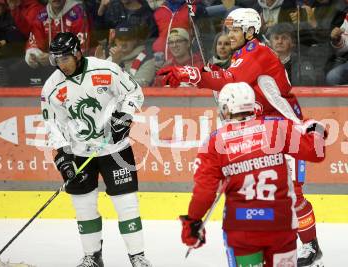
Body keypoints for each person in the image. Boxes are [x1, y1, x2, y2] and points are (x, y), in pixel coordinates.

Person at [157, 8, 324, 267]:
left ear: (250, 31)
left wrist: (191, 75)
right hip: (261, 129)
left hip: (283, 127)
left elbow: (230, 80)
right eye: (228, 29)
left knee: (293, 195)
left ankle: (310, 247)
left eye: (235, 29)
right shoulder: (242, 55)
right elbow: (231, 83)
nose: (229, 34)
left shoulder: (259, 53)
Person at [180, 82, 326, 267]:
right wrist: (317, 129)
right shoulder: (276, 128)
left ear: (225, 109)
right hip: (280, 223)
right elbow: (316, 152)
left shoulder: (214, 141)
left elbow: (204, 192)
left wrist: (192, 222)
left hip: (242, 225)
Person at [40, 32, 152, 267]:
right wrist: (62, 155)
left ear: (78, 53)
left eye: (65, 59)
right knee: (84, 206)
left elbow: (133, 92)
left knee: (127, 203)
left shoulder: (106, 70)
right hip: (81, 153)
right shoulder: (51, 87)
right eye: (57, 60)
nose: (62, 65)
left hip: (116, 150)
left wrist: (125, 116)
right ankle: (93, 256)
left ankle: (137, 256)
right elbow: (53, 124)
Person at [98, 22, 156, 86]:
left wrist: (116, 64)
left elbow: (139, 86)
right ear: (115, 41)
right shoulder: (111, 57)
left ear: (135, 40)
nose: (123, 43)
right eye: (120, 39)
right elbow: (99, 84)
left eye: (127, 39)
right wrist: (99, 67)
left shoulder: (147, 59)